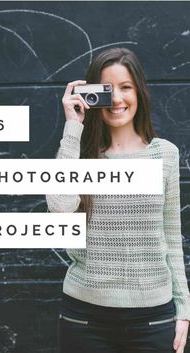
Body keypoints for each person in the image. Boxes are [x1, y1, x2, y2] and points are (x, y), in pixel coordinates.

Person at [46, 48, 190, 353]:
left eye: (126, 87)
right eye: (106, 90)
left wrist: (184, 310)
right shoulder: (78, 155)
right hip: (84, 319)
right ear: (91, 94)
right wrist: (73, 126)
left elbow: (171, 237)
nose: (117, 100)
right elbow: (59, 209)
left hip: (153, 319)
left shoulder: (165, 154)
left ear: (139, 91)